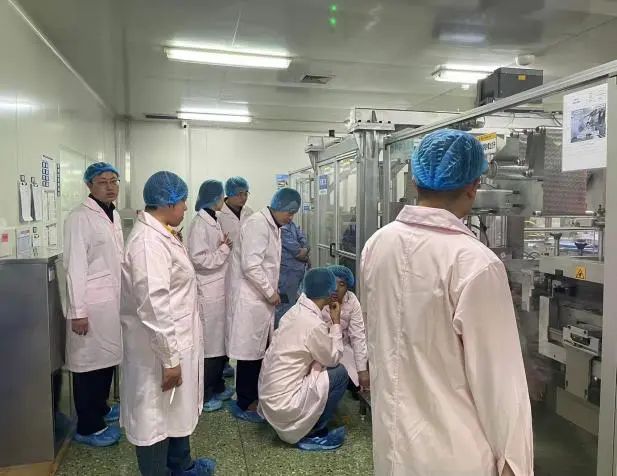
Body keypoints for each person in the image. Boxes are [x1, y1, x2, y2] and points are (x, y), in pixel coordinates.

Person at [360, 129, 533, 476]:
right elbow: (499, 379)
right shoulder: (475, 263)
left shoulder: (377, 244)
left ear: (415, 179)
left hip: (394, 444)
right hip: (455, 453)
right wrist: (515, 463)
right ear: (473, 186)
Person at [120, 171, 215, 476]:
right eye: (183, 201)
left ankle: (181, 465)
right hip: (158, 352)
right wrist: (170, 359)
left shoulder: (163, 233)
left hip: (175, 342)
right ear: (167, 202)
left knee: (174, 411)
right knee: (154, 419)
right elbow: (154, 305)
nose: (186, 207)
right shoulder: (148, 243)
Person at [227, 187, 301, 423]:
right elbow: (251, 266)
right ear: (279, 207)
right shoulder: (258, 224)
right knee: (250, 354)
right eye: (290, 213)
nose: (291, 218)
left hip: (259, 300)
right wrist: (270, 293)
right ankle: (245, 402)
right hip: (251, 299)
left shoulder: (272, 225)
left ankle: (254, 397)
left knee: (257, 351)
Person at [63, 162, 123, 447]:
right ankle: (88, 426)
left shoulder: (113, 214)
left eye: (113, 181)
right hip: (90, 305)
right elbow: (74, 266)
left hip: (110, 302)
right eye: (102, 182)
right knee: (88, 365)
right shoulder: (79, 218)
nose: (110, 187)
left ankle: (101, 407)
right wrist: (78, 312)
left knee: (106, 360)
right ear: (89, 185)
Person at [258, 267, 348, 451]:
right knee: (339, 373)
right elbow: (333, 358)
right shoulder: (313, 324)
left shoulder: (295, 311)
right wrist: (336, 323)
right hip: (284, 405)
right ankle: (313, 432)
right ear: (330, 294)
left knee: (317, 364)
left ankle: (304, 421)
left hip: (269, 397)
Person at [187, 180, 234, 413]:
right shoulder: (199, 224)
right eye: (221, 195)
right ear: (214, 198)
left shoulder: (212, 219)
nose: (223, 199)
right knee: (210, 346)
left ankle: (216, 385)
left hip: (218, 288)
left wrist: (222, 247)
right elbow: (199, 259)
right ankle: (204, 395)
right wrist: (224, 250)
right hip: (208, 291)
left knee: (218, 344)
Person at [218, 176, 253, 379]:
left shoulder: (250, 214)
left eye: (246, 193)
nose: (243, 198)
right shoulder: (218, 215)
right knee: (223, 320)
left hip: (246, 272)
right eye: (239, 194)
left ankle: (239, 356)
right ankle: (222, 362)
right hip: (223, 272)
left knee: (240, 318)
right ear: (229, 195)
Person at [321, 265, 369, 394]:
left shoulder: (352, 301)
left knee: (357, 384)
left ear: (348, 288)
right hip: (319, 347)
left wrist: (362, 371)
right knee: (322, 383)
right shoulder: (320, 297)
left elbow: (358, 336)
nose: (336, 288)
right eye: (332, 282)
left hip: (343, 347)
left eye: (341, 284)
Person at [274, 219, 309, 328]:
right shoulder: (282, 229)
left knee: (293, 306)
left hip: (296, 275)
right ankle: (279, 333)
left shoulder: (292, 225)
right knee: (284, 307)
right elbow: (298, 252)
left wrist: (305, 249)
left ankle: (289, 332)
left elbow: (305, 242)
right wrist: (304, 251)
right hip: (286, 276)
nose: (291, 216)